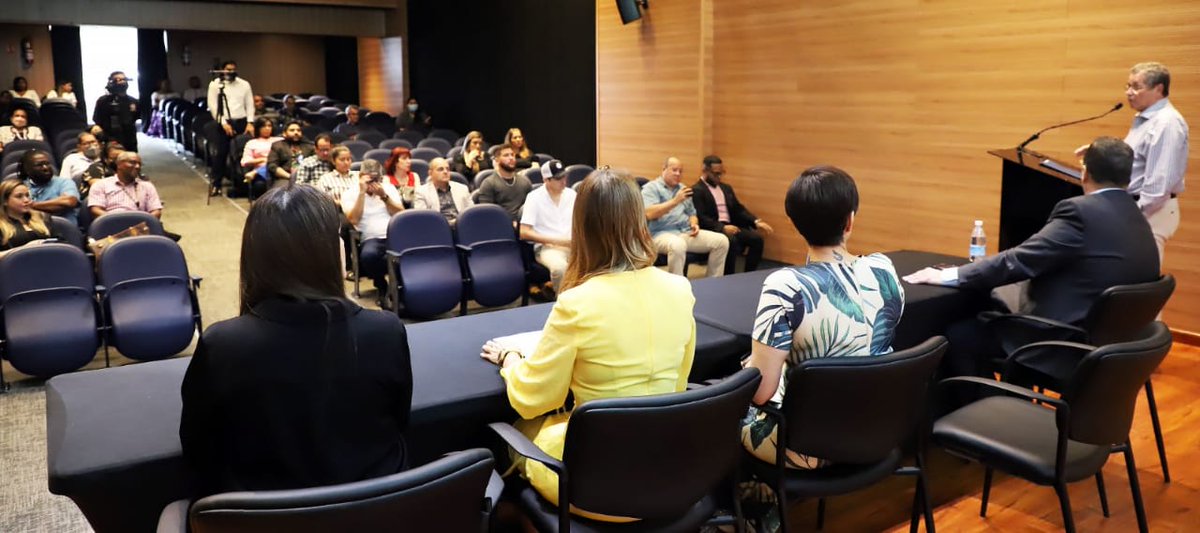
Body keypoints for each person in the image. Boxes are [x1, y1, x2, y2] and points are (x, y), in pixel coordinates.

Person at [481, 168, 696, 523]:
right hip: (669, 472)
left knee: (516, 435)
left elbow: (536, 399)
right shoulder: (680, 289)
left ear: (582, 229)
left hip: (595, 487)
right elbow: (679, 381)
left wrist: (511, 359)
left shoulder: (576, 303)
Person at [180, 184, 412, 496]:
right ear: (330, 251)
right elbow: (399, 422)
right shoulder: (385, 331)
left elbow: (198, 448)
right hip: (376, 512)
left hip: (263, 519)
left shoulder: (223, 345)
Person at [906, 137, 1160, 382]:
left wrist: (949, 275)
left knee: (958, 336)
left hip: (1060, 343)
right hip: (1112, 347)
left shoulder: (1080, 212)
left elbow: (1018, 261)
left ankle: (991, 413)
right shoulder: (1137, 216)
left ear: (1085, 173)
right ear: (1127, 178)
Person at [737, 165, 903, 531]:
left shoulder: (786, 285)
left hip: (809, 449)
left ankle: (757, 516)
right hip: (877, 430)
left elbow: (762, 393)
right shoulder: (884, 270)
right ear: (850, 221)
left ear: (795, 223)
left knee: (721, 411)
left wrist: (752, 364)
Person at [1074, 62, 1188, 265]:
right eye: (1127, 86)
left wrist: (1130, 216)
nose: (1129, 92)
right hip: (1136, 206)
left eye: (1136, 86)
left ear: (1158, 89)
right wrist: (1097, 153)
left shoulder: (1166, 124)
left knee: (1140, 277)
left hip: (1152, 211)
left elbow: (1158, 186)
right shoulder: (1146, 120)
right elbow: (1135, 159)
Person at [642, 156, 729, 278]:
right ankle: (677, 287)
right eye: (674, 170)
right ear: (664, 169)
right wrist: (675, 201)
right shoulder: (651, 188)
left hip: (685, 232)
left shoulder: (683, 189)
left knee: (721, 241)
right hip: (660, 234)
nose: (678, 174)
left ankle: (712, 283)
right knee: (678, 245)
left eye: (680, 171)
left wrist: (694, 224)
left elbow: (692, 213)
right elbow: (649, 213)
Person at [691, 155, 774, 274]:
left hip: (731, 225)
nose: (719, 176)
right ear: (705, 171)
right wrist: (722, 228)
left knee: (756, 240)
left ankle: (748, 275)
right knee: (732, 241)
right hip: (714, 228)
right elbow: (702, 217)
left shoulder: (726, 188)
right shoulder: (697, 190)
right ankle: (729, 276)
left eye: (721, 173)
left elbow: (738, 209)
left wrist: (756, 222)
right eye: (716, 174)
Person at [342, 159, 404, 302]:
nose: (373, 184)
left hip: (393, 233)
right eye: (370, 180)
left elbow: (400, 214)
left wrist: (384, 197)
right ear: (361, 177)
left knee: (405, 256)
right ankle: (381, 284)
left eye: (377, 179)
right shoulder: (350, 193)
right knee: (369, 256)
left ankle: (400, 286)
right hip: (371, 237)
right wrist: (362, 194)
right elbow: (354, 220)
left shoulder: (387, 188)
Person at [519, 160, 574, 295]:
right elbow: (524, 233)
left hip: (573, 245)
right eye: (558, 178)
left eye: (564, 177)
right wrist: (558, 241)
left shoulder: (572, 194)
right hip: (547, 247)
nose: (563, 181)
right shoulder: (534, 198)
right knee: (560, 268)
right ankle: (563, 303)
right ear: (546, 180)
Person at [207, 60, 255, 196]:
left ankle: (241, 183)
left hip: (242, 121)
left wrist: (250, 122)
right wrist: (223, 123)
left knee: (242, 153)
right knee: (220, 154)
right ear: (222, 70)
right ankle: (216, 184)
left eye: (233, 69)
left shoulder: (244, 84)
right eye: (228, 69)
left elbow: (250, 104)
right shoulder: (215, 85)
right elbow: (213, 106)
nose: (231, 72)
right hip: (224, 122)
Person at [87, 151, 163, 219]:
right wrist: (117, 221)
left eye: (139, 164)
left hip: (141, 226)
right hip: (111, 225)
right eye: (132, 162)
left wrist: (142, 224)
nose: (137, 167)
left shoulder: (147, 186)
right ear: (119, 164)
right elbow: (95, 210)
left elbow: (156, 211)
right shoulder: (101, 185)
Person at [19, 149, 80, 225]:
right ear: (27, 169)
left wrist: (33, 205)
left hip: (63, 230)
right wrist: (56, 201)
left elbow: (69, 201)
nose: (45, 168)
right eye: (39, 165)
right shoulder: (20, 186)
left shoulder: (64, 182)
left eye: (47, 164)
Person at [475, 143, 532, 223]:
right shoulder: (488, 183)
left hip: (524, 225)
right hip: (501, 226)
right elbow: (487, 213)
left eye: (512, 155)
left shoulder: (525, 181)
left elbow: (531, 208)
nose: (511, 158)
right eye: (506, 155)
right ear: (497, 160)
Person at [0, 180, 57, 256]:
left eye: (27, 195)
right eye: (19, 196)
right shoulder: (1, 225)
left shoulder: (42, 217)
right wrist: (25, 249)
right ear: (5, 201)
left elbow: (62, 244)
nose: (26, 200)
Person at [414, 157, 472, 226]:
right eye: (440, 169)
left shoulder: (462, 188)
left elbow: (471, 213)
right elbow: (422, 219)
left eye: (447, 169)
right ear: (430, 173)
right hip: (437, 229)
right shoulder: (422, 192)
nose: (445, 172)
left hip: (462, 226)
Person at [93, 71, 139, 152]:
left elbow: (135, 117)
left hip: (129, 138)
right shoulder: (103, 101)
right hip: (109, 138)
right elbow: (97, 119)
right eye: (119, 80)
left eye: (124, 79)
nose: (123, 82)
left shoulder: (133, 101)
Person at [239, 117, 282, 194]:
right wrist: (262, 160)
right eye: (264, 126)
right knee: (269, 165)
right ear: (258, 128)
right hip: (263, 174)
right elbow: (244, 161)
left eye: (269, 126)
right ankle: (258, 171)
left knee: (272, 163)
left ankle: (255, 172)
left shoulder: (279, 140)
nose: (267, 128)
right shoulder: (252, 143)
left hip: (279, 168)